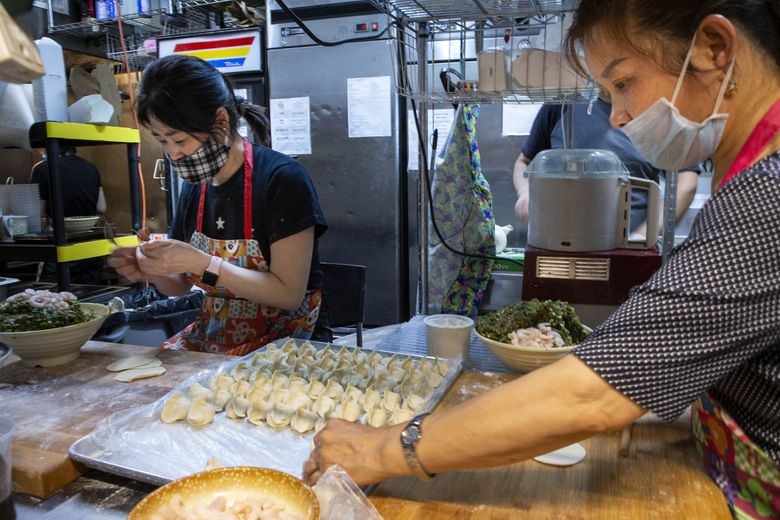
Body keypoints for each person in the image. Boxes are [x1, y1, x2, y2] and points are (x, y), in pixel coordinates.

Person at [305, 2, 780, 517]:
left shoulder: (767, 197)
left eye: (623, 83)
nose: (617, 116)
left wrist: (383, 448)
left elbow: (591, 395)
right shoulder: (752, 170)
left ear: (714, 48)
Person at [107, 55, 328, 356]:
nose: (173, 155)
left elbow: (288, 294)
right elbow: (181, 287)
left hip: (288, 341)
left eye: (180, 140)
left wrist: (203, 263)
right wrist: (152, 268)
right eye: (163, 142)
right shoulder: (194, 188)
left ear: (220, 122)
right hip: (215, 338)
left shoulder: (281, 179)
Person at [513, 99, 700, 237]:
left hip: (629, 253)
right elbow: (525, 162)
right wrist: (525, 191)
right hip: (558, 244)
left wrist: (642, 237)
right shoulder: (562, 104)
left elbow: (685, 183)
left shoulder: (656, 110)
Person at [30, 145, 107, 284]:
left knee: (57, 300)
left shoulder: (42, 168)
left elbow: (38, 213)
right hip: (90, 247)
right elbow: (102, 207)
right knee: (90, 299)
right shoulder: (90, 167)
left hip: (61, 247)